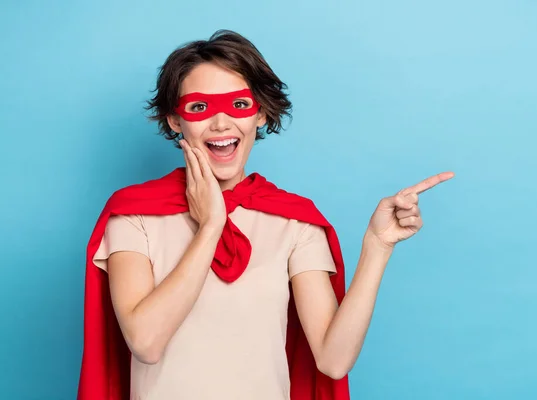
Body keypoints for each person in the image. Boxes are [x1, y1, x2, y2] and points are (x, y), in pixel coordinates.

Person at [77, 29, 454, 400]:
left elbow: (333, 360)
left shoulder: (295, 222)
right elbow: (146, 342)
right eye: (199, 107)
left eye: (239, 105)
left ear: (260, 114)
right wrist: (211, 226)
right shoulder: (133, 216)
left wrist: (377, 247)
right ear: (176, 121)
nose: (221, 124)